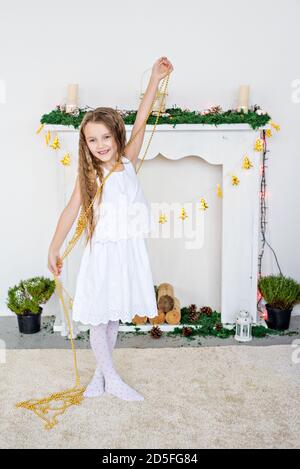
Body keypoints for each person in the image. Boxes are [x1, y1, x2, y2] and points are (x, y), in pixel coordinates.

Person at [48, 57, 174, 401]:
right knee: (98, 319)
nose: (100, 144)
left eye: (105, 136)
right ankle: (112, 379)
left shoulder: (129, 160)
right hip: (102, 254)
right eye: (92, 140)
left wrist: (154, 79)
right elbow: (69, 212)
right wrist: (53, 249)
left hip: (128, 252)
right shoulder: (89, 176)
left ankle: (101, 377)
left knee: (115, 314)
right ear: (85, 145)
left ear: (116, 137)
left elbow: (143, 117)